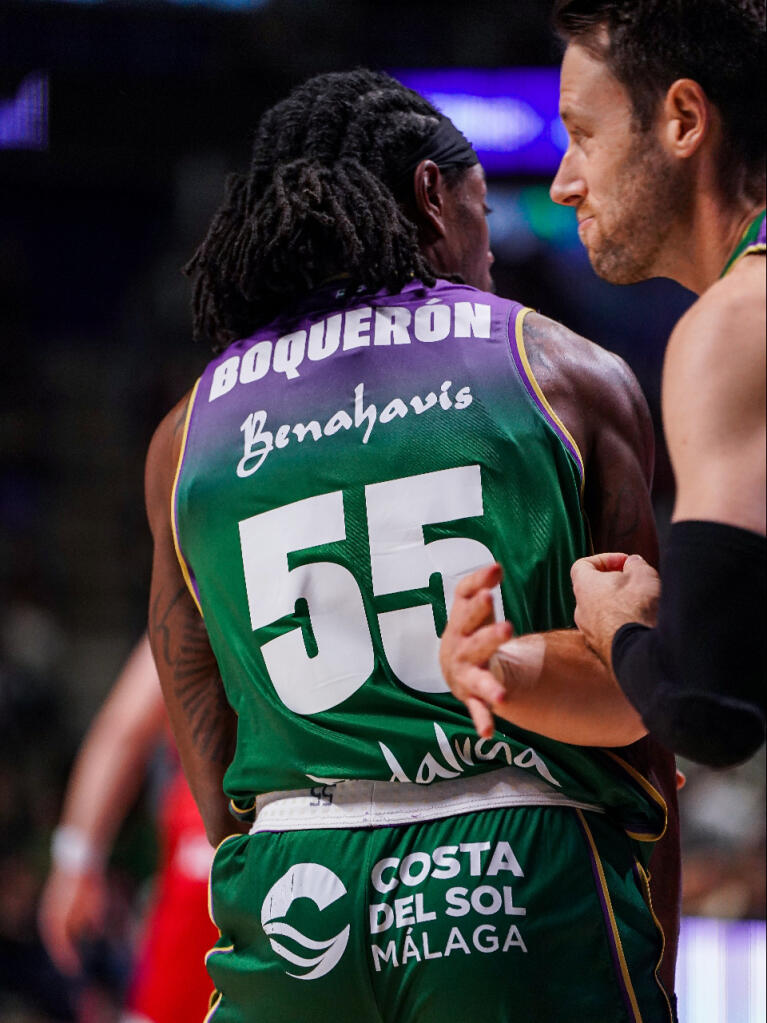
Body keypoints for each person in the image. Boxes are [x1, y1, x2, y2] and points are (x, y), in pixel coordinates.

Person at [146, 69, 679, 1022]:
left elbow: (190, 679)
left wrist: (277, 833)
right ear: (432, 195)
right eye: (478, 216)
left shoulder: (187, 432)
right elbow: (643, 705)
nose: (483, 258)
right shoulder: (561, 369)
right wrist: (657, 963)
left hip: (294, 872)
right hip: (522, 871)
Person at [553, 0, 765, 768]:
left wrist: (616, 624)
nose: (562, 183)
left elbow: (706, 709)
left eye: (581, 136)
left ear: (681, 118)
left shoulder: (737, 323)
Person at [38, 634, 217, 1023]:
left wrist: (74, 860)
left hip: (211, 870)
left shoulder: (203, 584)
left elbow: (124, 730)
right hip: (331, 860)